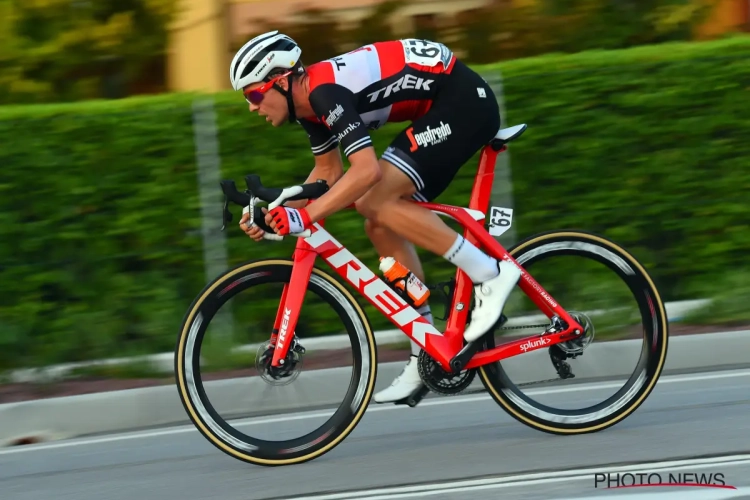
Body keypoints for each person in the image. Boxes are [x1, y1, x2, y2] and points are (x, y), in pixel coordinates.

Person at [232, 31, 521, 404]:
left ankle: (489, 274)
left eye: (255, 94)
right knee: (378, 220)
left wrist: (306, 217)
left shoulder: (324, 94)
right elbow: (328, 174)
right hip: (441, 107)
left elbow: (365, 170)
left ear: (282, 81)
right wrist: (278, 213)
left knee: (374, 199)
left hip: (462, 103)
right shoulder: (309, 110)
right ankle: (426, 347)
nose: (253, 106)